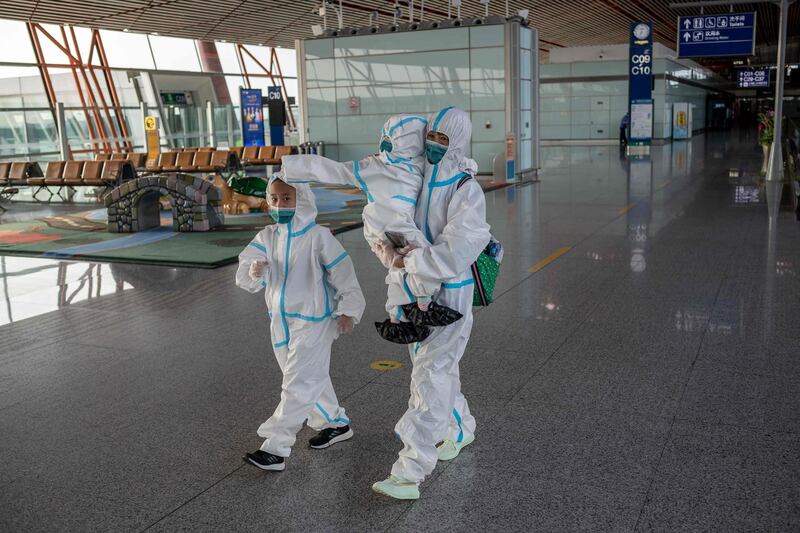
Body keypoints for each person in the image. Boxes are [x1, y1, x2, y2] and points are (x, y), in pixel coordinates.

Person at [371, 106, 491, 500]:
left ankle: (410, 470)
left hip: (449, 294)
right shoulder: (419, 177)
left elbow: (459, 250)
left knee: (430, 375)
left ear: (457, 142)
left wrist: (414, 260)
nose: (434, 146)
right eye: (431, 137)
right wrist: (390, 251)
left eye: (443, 139)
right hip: (413, 291)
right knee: (438, 367)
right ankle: (460, 427)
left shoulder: (465, 190)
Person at [279, 115, 462, 344]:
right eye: (385, 137)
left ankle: (397, 315)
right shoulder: (374, 166)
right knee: (421, 258)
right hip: (384, 226)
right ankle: (424, 304)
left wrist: (466, 166)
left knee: (399, 270)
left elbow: (447, 167)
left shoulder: (419, 164)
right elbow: (336, 171)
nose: (386, 143)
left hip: (398, 224)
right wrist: (292, 167)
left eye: (392, 138)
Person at [236, 176, 366, 471]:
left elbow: (343, 273)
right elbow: (246, 272)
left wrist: (348, 309)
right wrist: (255, 270)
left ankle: (276, 448)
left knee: (298, 383)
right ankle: (336, 422)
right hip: (280, 322)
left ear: (302, 200)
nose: (279, 204)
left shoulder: (318, 236)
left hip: (314, 322)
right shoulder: (268, 236)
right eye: (274, 198)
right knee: (308, 378)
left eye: (286, 198)